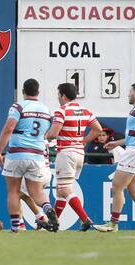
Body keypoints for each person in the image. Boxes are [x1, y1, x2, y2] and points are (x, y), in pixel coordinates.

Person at [0, 78, 58, 233]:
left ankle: (17, 226)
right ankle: (48, 208)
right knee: (36, 192)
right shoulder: (46, 110)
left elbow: (9, 128)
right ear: (38, 92)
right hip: (37, 155)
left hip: (17, 153)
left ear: (23, 92)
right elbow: (49, 133)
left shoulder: (18, 106)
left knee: (13, 191)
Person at [94, 83, 135, 232]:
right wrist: (117, 142)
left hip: (134, 153)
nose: (128, 94)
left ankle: (113, 224)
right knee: (134, 191)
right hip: (134, 151)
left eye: (130, 92)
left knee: (116, 186)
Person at [47, 83, 103, 231]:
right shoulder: (85, 111)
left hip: (66, 153)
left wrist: (45, 137)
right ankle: (54, 223)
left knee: (64, 189)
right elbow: (98, 129)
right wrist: (84, 140)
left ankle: (85, 219)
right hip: (79, 153)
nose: (58, 98)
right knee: (61, 190)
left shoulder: (61, 111)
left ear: (63, 96)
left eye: (58, 95)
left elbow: (53, 134)